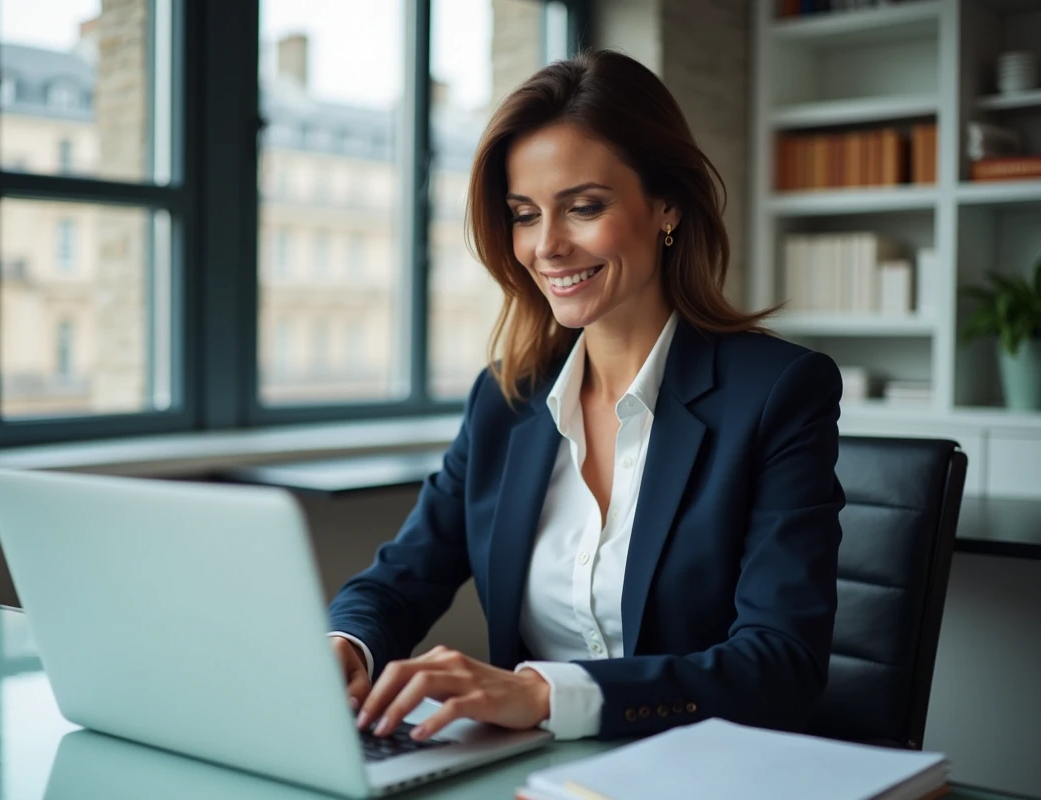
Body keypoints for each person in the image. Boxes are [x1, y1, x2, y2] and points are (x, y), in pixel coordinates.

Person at [327, 49, 845, 744]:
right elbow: (396, 582)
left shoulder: (777, 394)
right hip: (532, 777)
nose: (547, 247)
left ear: (666, 205)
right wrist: (347, 648)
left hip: (707, 773)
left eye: (584, 208)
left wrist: (544, 693)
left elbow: (779, 668)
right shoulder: (504, 401)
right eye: (523, 214)